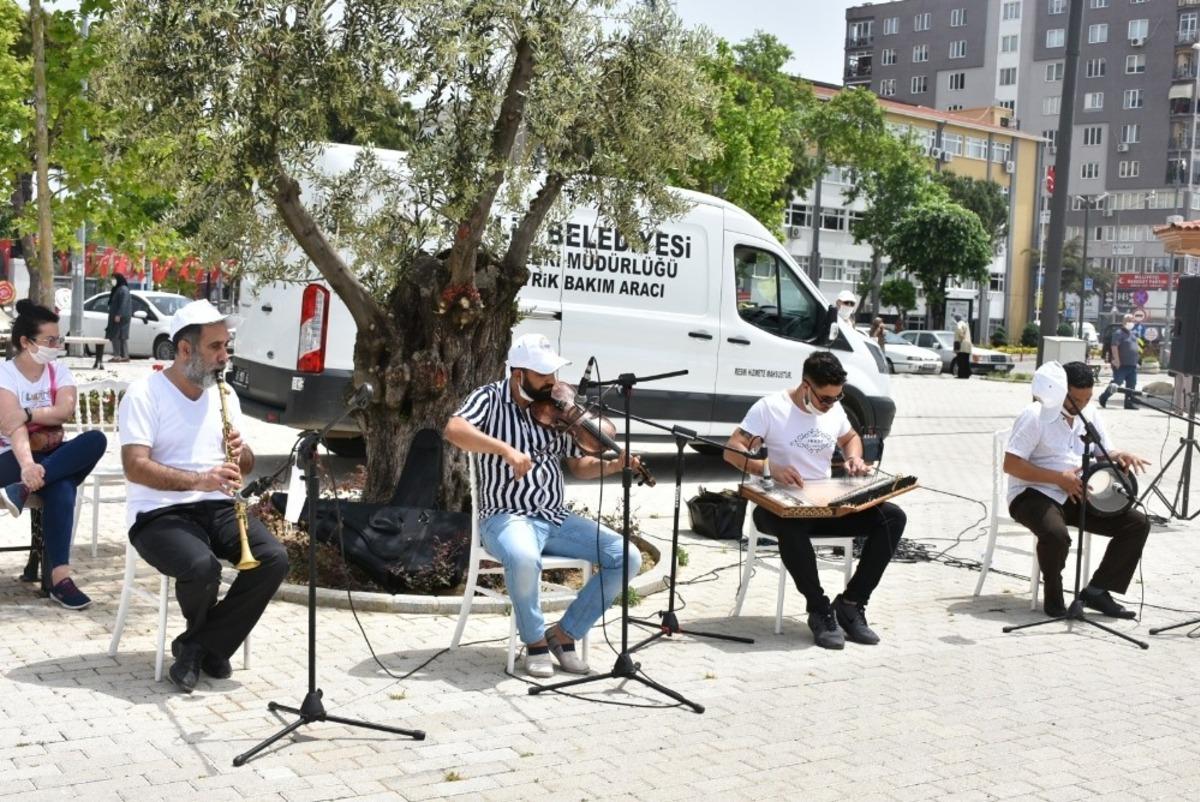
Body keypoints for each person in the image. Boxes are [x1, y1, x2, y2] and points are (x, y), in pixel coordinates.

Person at [444, 333, 643, 678]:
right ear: (519, 374)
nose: (552, 382)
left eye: (553, 374)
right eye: (543, 375)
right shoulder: (489, 398)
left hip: (554, 518)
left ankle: (563, 636)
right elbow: (454, 429)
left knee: (626, 557)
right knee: (522, 557)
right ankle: (534, 641)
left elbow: (580, 467)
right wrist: (504, 450)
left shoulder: (559, 406)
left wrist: (613, 465)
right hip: (505, 517)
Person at [118, 300, 288, 693]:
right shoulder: (145, 394)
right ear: (184, 350)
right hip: (158, 513)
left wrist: (239, 449)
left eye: (226, 346)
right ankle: (208, 648)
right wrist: (200, 479)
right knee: (201, 566)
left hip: (218, 505)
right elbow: (135, 466)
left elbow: (244, 464)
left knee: (274, 559)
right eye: (215, 347)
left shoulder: (224, 394)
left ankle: (197, 647)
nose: (224, 357)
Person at [724, 351, 907, 649]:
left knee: (892, 517)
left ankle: (851, 604)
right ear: (806, 386)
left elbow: (850, 439)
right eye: (825, 398)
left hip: (825, 506)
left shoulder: (833, 410)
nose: (831, 404)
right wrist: (768, 468)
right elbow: (731, 450)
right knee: (792, 527)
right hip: (777, 508)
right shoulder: (770, 408)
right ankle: (819, 609)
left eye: (838, 397)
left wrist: (855, 459)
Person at [1004, 361, 1150, 618]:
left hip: (1077, 492)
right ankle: (1054, 595)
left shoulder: (1090, 414)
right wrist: (1057, 478)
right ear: (1060, 391)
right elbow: (1011, 464)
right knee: (1055, 534)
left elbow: (1103, 451)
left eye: (1087, 399)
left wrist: (1118, 455)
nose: (1081, 405)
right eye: (1075, 399)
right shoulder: (1035, 415)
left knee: (1137, 523)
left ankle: (1097, 591)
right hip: (1033, 494)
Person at [0, 300, 107, 609]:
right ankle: (60, 580)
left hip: (50, 457)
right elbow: (12, 425)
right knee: (61, 486)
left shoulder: (58, 370)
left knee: (96, 439)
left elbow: (66, 410)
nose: (56, 346)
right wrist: (27, 467)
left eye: (58, 339)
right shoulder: (5, 374)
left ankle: (20, 492)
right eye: (50, 340)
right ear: (25, 342)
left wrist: (29, 411)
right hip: (10, 460)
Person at [1098, 313, 1139, 411]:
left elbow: (1135, 348)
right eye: (1129, 320)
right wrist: (1116, 360)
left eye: (1132, 321)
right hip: (1121, 364)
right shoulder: (1118, 333)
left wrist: (1137, 361)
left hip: (1132, 364)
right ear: (1123, 322)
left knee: (1132, 384)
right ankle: (1103, 397)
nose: (1131, 322)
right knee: (1117, 383)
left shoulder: (1133, 334)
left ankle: (1128, 403)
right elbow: (1114, 346)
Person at [105, 273, 133, 363]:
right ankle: (124, 356)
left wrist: (119, 314)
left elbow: (123, 303)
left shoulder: (123, 289)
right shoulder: (118, 289)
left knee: (116, 336)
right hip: (118, 316)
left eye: (114, 279)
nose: (112, 281)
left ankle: (117, 356)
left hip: (120, 317)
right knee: (120, 337)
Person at [952, 314, 972, 379]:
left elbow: (960, 330)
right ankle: (967, 374)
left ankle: (961, 375)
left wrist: (962, 337)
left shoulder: (959, 324)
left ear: (957, 319)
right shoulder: (965, 324)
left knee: (960, 360)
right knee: (966, 360)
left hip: (961, 344)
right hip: (968, 344)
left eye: (955, 319)